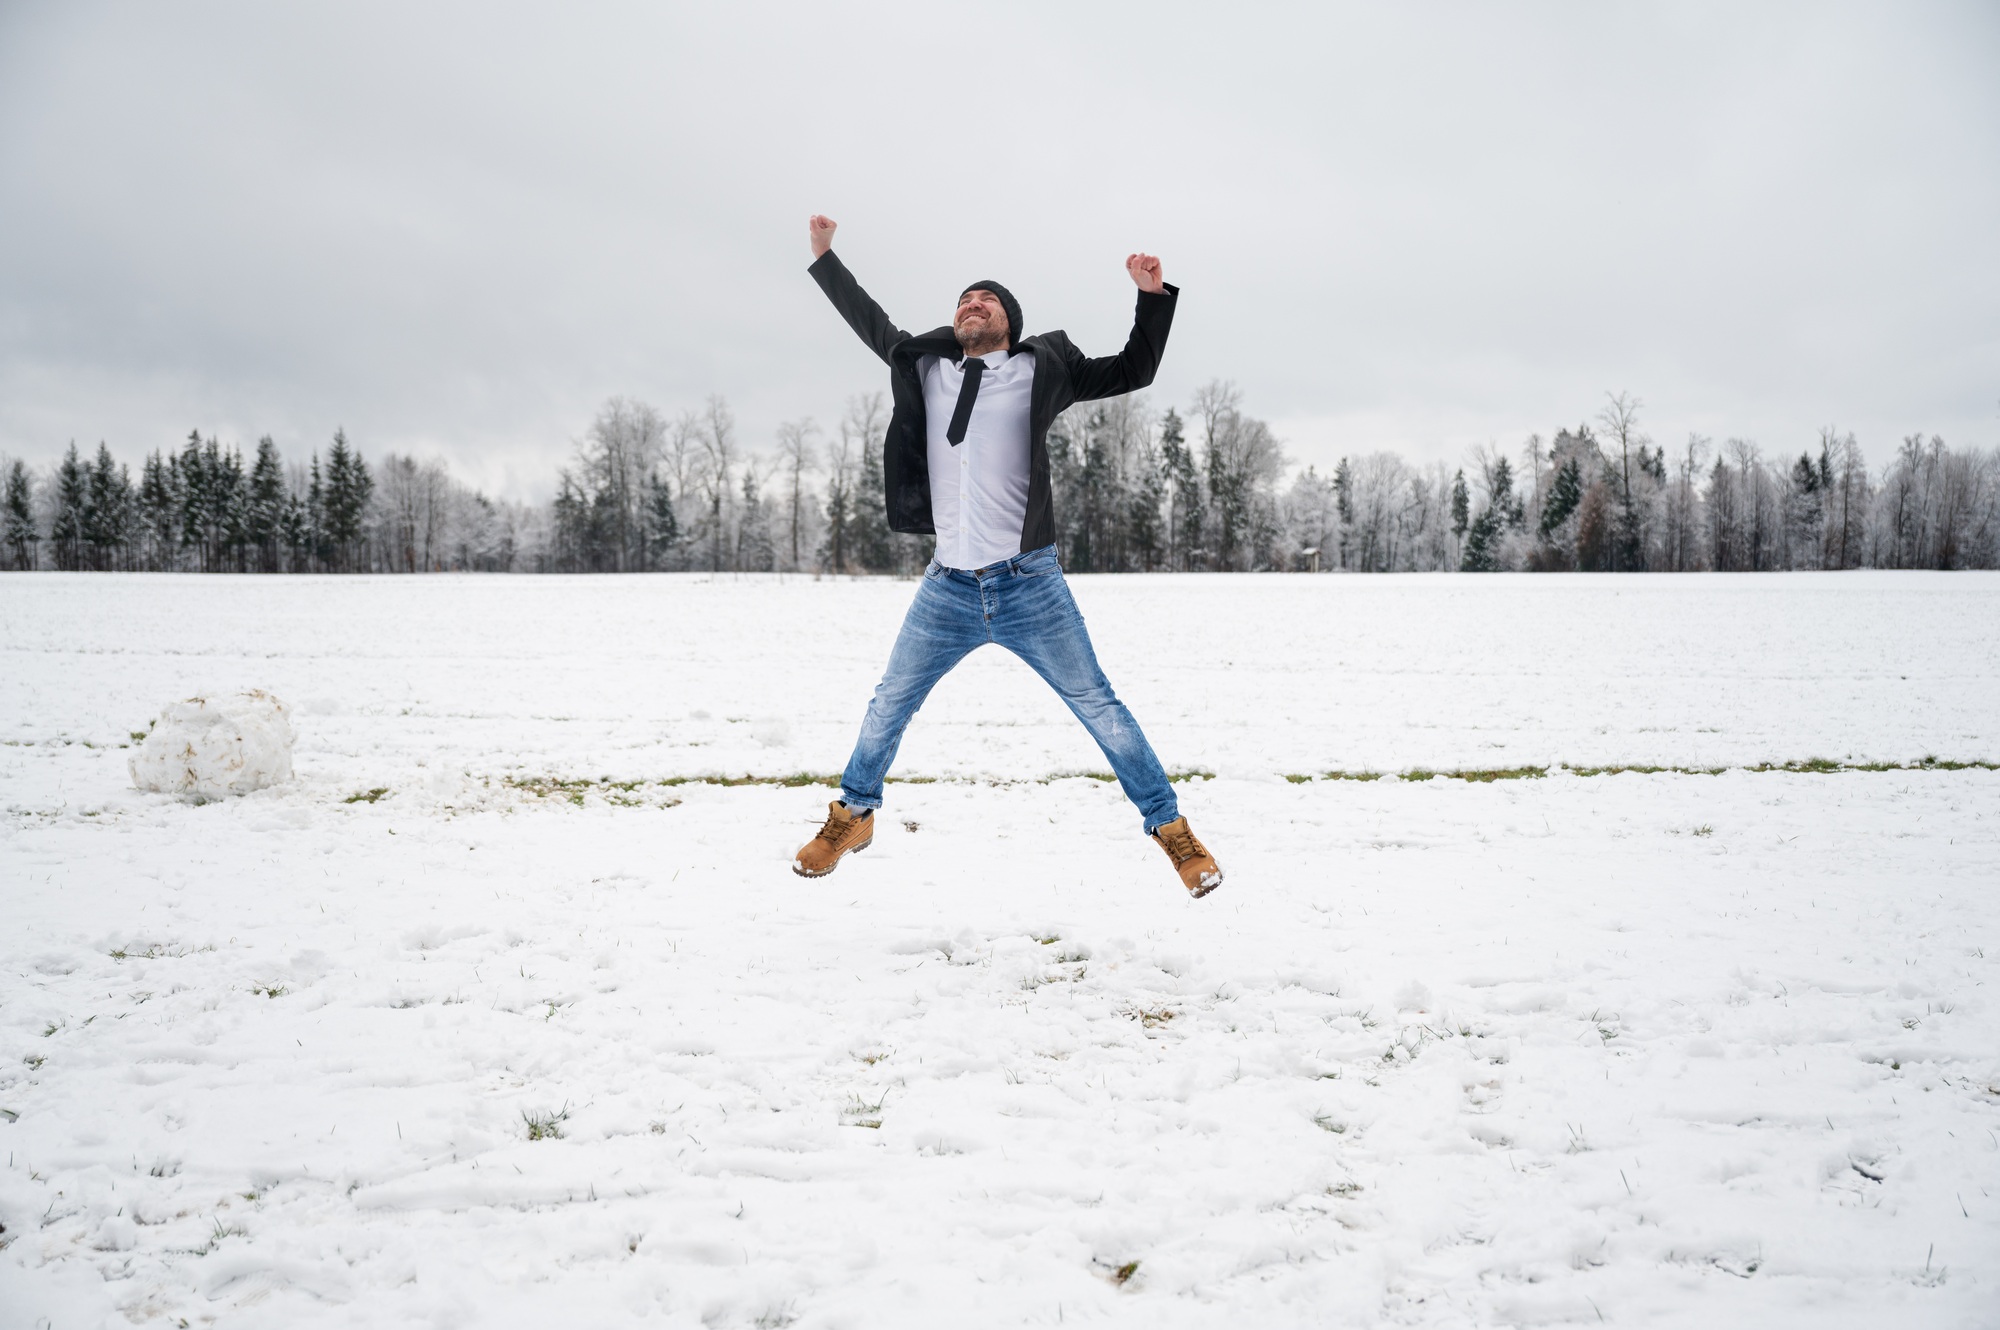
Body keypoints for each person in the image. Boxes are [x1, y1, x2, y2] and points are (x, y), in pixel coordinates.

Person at [791, 215, 1222, 898]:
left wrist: (1151, 295)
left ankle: (1172, 832)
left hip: (1030, 586)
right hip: (947, 588)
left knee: (1100, 706)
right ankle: (853, 814)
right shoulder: (926, 366)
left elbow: (1135, 368)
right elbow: (869, 321)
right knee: (887, 704)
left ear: (1009, 322)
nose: (971, 303)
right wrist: (825, 257)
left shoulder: (1041, 370)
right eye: (963, 298)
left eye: (986, 298)